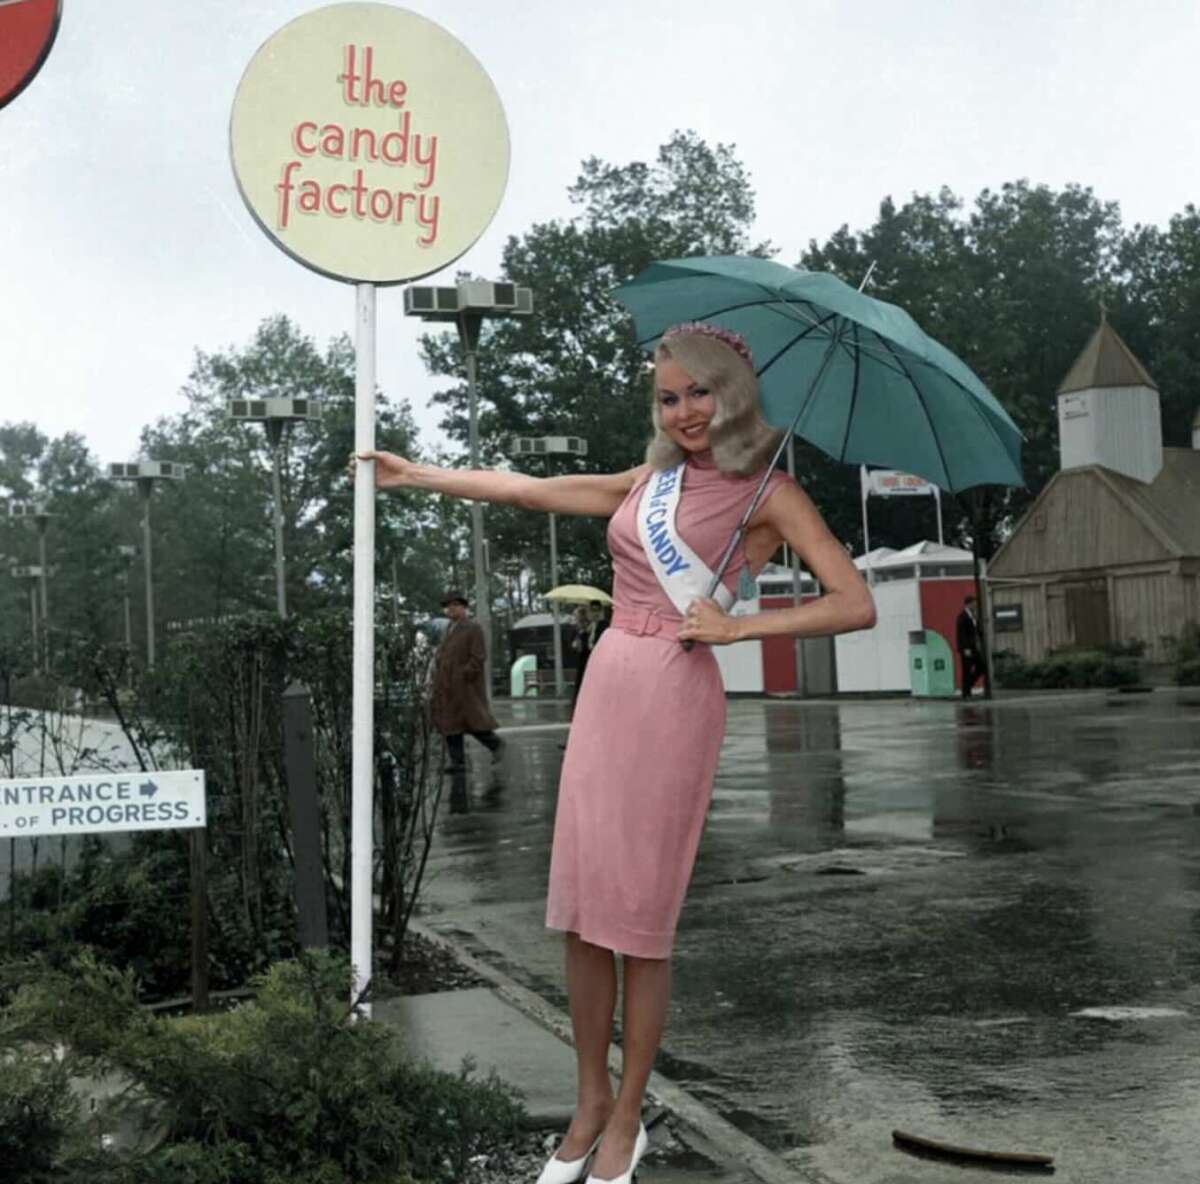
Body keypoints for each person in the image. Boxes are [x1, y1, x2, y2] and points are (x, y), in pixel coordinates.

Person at [357, 322, 875, 1184]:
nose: (685, 412)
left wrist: (739, 628)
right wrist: (417, 475)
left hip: (675, 693)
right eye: (669, 398)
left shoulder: (772, 494)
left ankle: (628, 1115)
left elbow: (855, 602)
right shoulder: (651, 480)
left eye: (700, 393)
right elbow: (531, 492)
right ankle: (589, 1099)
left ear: (734, 395)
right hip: (608, 685)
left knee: (638, 917)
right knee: (583, 907)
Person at [430, 592, 505, 772]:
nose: (451, 609)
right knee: (450, 724)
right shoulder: (448, 628)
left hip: (465, 686)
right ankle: (457, 762)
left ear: (463, 608)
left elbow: (478, 656)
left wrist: (466, 674)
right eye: (448, 606)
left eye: (455, 605)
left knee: (472, 721)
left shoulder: (473, 628)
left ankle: (496, 744)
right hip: (446, 685)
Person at [569, 600, 609, 715]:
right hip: (585, 663)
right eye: (592, 610)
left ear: (601, 612)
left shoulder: (604, 626)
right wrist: (581, 634)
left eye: (597, 611)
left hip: (599, 662)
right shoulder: (585, 626)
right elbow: (578, 646)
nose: (595, 613)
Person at [956, 593, 986, 697]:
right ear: (968, 604)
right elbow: (961, 634)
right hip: (967, 648)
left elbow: (976, 630)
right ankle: (966, 693)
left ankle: (968, 686)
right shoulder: (962, 616)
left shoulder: (973, 616)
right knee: (967, 670)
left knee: (981, 666)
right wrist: (965, 648)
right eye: (973, 604)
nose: (975, 606)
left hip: (974, 646)